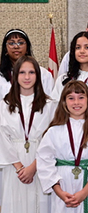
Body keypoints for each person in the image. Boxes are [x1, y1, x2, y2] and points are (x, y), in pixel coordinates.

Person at [36, 81, 88, 213]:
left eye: (81, 98)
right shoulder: (54, 131)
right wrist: (59, 191)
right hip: (63, 186)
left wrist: (85, 192)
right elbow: (44, 161)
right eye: (71, 98)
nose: (76, 103)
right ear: (64, 102)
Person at [0, 56, 56, 213]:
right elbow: (1, 138)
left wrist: (34, 166)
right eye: (22, 72)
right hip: (14, 165)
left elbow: (53, 138)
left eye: (31, 72)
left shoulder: (50, 105)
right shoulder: (4, 105)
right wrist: (19, 167)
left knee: (40, 204)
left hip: (40, 163)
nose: (26, 77)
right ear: (15, 75)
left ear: (38, 76)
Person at [0, 29, 54, 98]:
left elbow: (49, 101)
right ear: (5, 49)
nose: (16, 46)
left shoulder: (43, 74)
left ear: (27, 48)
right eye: (11, 43)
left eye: (21, 43)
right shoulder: (1, 75)